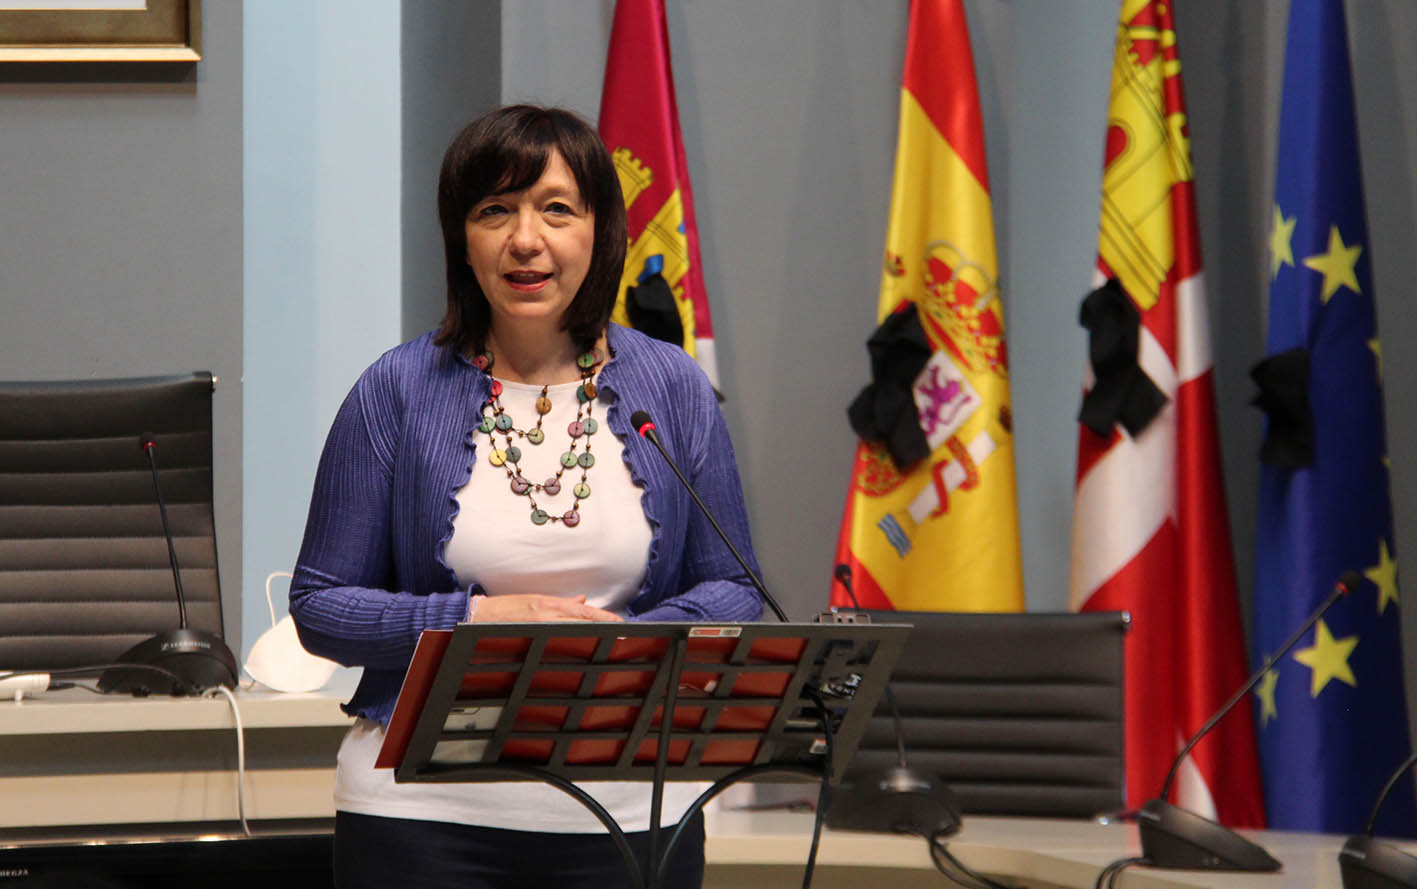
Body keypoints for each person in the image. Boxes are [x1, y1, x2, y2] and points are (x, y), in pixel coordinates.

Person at [288, 104, 764, 889]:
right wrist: (475, 622)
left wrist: (621, 641)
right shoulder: (395, 391)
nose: (524, 240)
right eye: (494, 211)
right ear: (462, 239)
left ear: (599, 231)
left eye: (555, 210)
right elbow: (321, 606)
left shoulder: (670, 385)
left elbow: (735, 589)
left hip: (633, 814)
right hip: (420, 818)